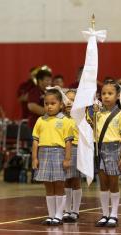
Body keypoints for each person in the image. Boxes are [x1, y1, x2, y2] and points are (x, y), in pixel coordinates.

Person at [32, 88, 74, 226]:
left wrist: (67, 159)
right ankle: (51, 215)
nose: (49, 106)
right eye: (46, 103)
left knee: (59, 184)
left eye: (53, 103)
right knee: (48, 185)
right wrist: (34, 158)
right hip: (43, 153)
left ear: (61, 105)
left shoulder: (66, 121)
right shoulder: (40, 120)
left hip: (58, 153)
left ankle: (59, 215)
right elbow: (35, 141)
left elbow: (68, 142)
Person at [95, 81, 121, 228]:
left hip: (114, 149)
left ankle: (114, 214)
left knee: (113, 182)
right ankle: (104, 214)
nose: (106, 96)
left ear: (117, 96)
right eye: (103, 94)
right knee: (103, 183)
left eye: (110, 93)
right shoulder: (97, 113)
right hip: (100, 149)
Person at [62, 89, 82, 223]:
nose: (69, 103)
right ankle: (66, 210)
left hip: (76, 149)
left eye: (73, 100)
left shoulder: (81, 118)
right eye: (67, 100)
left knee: (75, 180)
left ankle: (75, 210)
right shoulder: (60, 118)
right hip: (63, 149)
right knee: (66, 181)